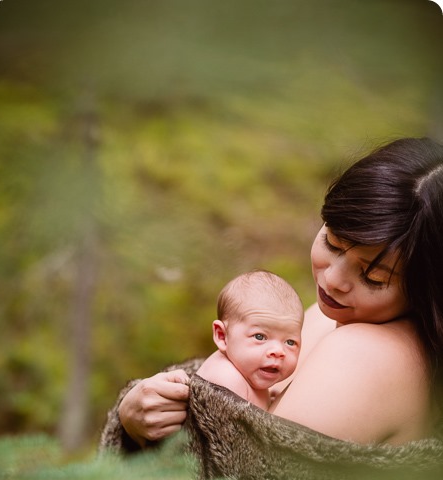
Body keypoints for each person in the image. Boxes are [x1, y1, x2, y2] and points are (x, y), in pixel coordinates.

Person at [118, 137, 443, 446]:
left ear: (427, 287)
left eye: (373, 276)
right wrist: (140, 411)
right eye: (332, 242)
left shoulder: (364, 353)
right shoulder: (330, 316)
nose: (332, 280)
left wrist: (132, 431)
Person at [195, 270, 303, 409]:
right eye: (260, 337)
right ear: (222, 336)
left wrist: (268, 401)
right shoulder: (226, 379)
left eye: (290, 342)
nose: (278, 351)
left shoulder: (246, 373)